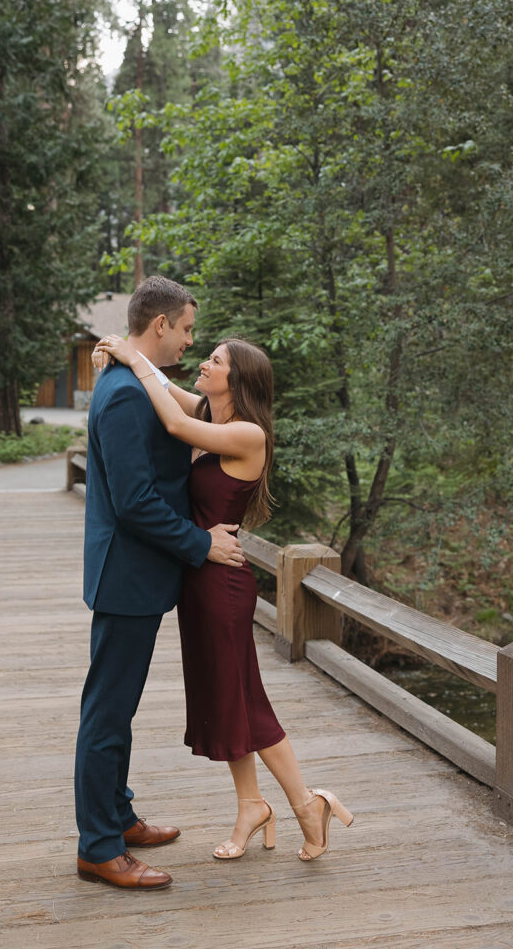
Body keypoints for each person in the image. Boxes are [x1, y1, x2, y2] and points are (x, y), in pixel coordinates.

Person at [95, 330, 354, 865]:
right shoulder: (214, 417)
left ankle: (308, 804)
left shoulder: (247, 434)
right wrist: (128, 352)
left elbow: (171, 420)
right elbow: (163, 387)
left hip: (224, 586)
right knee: (224, 699)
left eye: (214, 360)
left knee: (245, 700)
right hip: (198, 577)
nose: (203, 362)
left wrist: (129, 355)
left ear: (237, 380)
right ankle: (251, 804)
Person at [74, 276, 245, 892]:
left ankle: (117, 818)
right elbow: (134, 504)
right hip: (127, 574)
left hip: (140, 576)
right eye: (188, 328)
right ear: (162, 324)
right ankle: (98, 846)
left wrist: (129, 353)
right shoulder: (122, 395)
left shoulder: (135, 378)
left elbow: (184, 414)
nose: (191, 340)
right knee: (107, 713)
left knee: (119, 710)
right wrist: (202, 545)